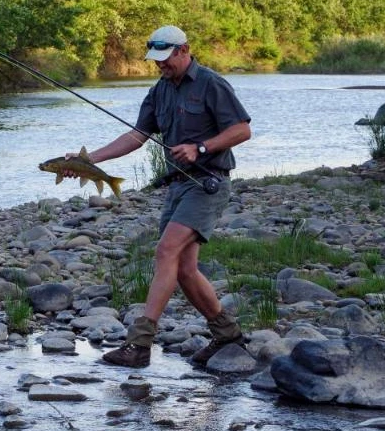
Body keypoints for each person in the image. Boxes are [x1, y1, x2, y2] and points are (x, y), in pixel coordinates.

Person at [64, 24, 252, 368]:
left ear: (184, 50)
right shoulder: (160, 90)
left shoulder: (212, 84)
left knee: (165, 249)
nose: (160, 65)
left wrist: (200, 147)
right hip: (178, 186)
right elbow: (137, 136)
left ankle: (139, 345)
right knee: (184, 269)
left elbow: (242, 130)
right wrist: (88, 160)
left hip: (209, 184)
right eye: (156, 60)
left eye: (165, 59)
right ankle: (229, 336)